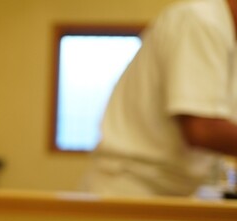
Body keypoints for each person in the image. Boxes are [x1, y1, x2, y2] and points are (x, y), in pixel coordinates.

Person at [85, 0, 237, 199]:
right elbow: (202, 129)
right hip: (133, 187)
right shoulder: (201, 21)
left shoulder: (225, 37)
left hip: (172, 189)